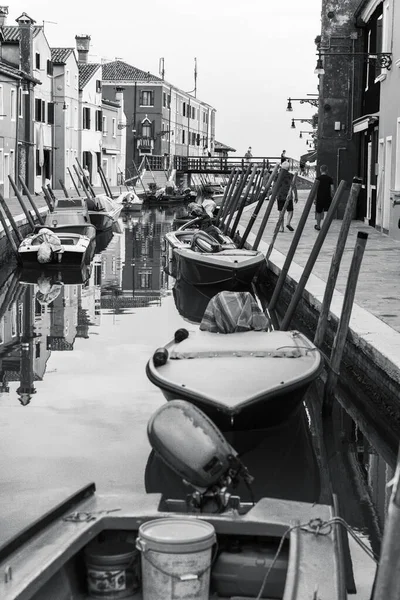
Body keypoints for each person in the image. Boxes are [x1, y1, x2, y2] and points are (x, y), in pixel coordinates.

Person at [276, 161, 298, 232]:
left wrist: (273, 194)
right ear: (288, 168)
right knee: (290, 211)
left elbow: (275, 186)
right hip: (289, 196)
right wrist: (296, 196)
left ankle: (281, 228)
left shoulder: (278, 175)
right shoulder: (291, 176)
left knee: (281, 212)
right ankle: (288, 222)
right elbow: (294, 186)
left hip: (280, 196)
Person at [315, 164, 334, 230]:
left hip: (319, 197)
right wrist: (332, 196)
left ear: (320, 170)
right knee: (326, 211)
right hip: (327, 197)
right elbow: (332, 189)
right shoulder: (330, 179)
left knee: (318, 212)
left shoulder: (317, 179)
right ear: (327, 170)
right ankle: (324, 226)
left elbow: (315, 189)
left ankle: (318, 225)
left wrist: (315, 199)